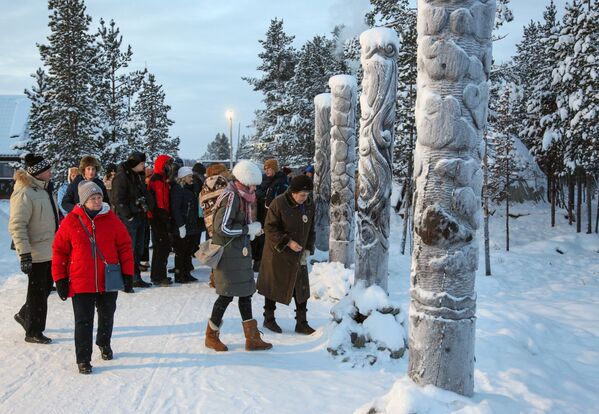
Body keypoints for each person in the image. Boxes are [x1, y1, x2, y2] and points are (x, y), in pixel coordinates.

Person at [52, 181, 134, 374]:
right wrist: (60, 279)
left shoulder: (112, 219)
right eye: (92, 198)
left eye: (99, 197)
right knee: (83, 321)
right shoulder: (71, 221)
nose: (97, 201)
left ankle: (104, 343)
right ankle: (83, 359)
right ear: (83, 201)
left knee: (107, 316)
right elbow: (59, 252)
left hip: (108, 279)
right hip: (81, 281)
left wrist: (128, 273)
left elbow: (125, 247)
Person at [205, 160, 271, 352]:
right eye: (252, 184)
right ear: (243, 180)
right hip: (228, 255)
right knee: (226, 295)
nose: (254, 188)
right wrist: (247, 229)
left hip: (238, 253)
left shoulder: (242, 196)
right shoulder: (231, 197)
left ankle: (252, 338)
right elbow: (221, 227)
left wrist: (251, 231)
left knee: (245, 293)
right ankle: (211, 335)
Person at [9, 154, 59, 344]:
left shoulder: (44, 190)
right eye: (47, 170)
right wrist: (25, 254)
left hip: (49, 248)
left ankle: (24, 315)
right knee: (37, 292)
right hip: (35, 251)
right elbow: (17, 225)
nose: (50, 172)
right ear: (37, 172)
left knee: (45, 287)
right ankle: (33, 331)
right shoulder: (24, 193)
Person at [257, 174, 316, 335]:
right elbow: (269, 228)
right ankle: (269, 319)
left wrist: (308, 248)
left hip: (299, 254)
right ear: (293, 192)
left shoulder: (310, 205)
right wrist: (288, 242)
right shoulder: (279, 203)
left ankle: (302, 322)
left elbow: (311, 229)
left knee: (301, 288)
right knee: (273, 285)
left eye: (307, 195)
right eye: (302, 195)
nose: (305, 198)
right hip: (278, 253)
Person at [111, 152, 153, 288]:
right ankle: (128, 277)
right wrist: (128, 215)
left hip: (139, 216)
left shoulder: (138, 176)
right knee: (129, 249)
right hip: (128, 219)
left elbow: (142, 193)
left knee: (138, 249)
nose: (144, 166)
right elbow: (117, 199)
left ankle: (135, 276)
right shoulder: (122, 177)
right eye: (141, 163)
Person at [252, 159, 288, 272]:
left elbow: (281, 198)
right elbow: (256, 193)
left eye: (269, 168)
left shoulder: (281, 180)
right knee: (259, 237)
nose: (267, 171)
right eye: (265, 169)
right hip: (260, 213)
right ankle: (258, 261)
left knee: (270, 237)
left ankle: (267, 262)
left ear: (275, 168)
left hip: (273, 214)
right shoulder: (262, 180)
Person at [199, 163, 230, 288]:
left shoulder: (204, 186)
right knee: (225, 250)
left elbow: (201, 207)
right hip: (222, 220)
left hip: (209, 222)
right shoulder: (224, 184)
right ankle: (222, 279)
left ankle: (214, 278)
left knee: (214, 249)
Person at [170, 166, 200, 283]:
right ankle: (179, 274)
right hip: (182, 225)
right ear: (183, 177)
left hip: (191, 224)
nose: (191, 178)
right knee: (181, 251)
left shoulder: (190, 188)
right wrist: (180, 225)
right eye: (189, 176)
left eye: (191, 176)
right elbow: (176, 208)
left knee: (188, 251)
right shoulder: (178, 189)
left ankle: (186, 272)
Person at [148, 154, 174, 286]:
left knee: (161, 247)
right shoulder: (157, 179)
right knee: (162, 247)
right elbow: (160, 201)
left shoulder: (161, 179)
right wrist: (164, 215)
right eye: (168, 164)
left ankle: (158, 275)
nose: (170, 167)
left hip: (160, 216)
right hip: (158, 217)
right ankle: (158, 276)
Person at [140, 166, 154, 272]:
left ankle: (145, 260)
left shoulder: (148, 185)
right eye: (148, 176)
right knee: (142, 238)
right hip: (141, 215)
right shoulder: (142, 185)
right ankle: (141, 261)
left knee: (145, 238)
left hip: (147, 216)